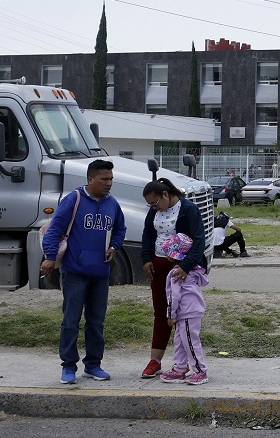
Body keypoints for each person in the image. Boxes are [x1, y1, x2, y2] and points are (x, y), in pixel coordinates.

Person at [40, 159, 126, 385]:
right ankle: (68, 366)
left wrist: (114, 247)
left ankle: (93, 365)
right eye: (104, 179)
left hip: (101, 274)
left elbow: (120, 229)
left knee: (96, 322)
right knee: (70, 321)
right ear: (90, 179)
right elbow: (55, 229)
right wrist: (50, 257)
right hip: (75, 272)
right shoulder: (74, 200)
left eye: (111, 179)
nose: (108, 184)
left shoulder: (113, 204)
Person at [139, 178, 206, 380]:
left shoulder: (188, 209)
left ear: (166, 195)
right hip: (158, 266)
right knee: (161, 313)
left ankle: (184, 365)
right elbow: (147, 235)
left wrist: (186, 266)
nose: (153, 208)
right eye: (150, 205)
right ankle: (155, 361)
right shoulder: (154, 211)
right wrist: (146, 259)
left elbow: (199, 239)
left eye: (155, 203)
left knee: (181, 316)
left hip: (179, 269)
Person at [158, 233, 209, 385]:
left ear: (174, 255)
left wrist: (170, 315)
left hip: (187, 312)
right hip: (189, 312)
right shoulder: (192, 271)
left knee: (190, 342)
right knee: (180, 341)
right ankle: (180, 368)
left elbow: (174, 297)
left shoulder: (176, 273)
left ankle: (200, 371)